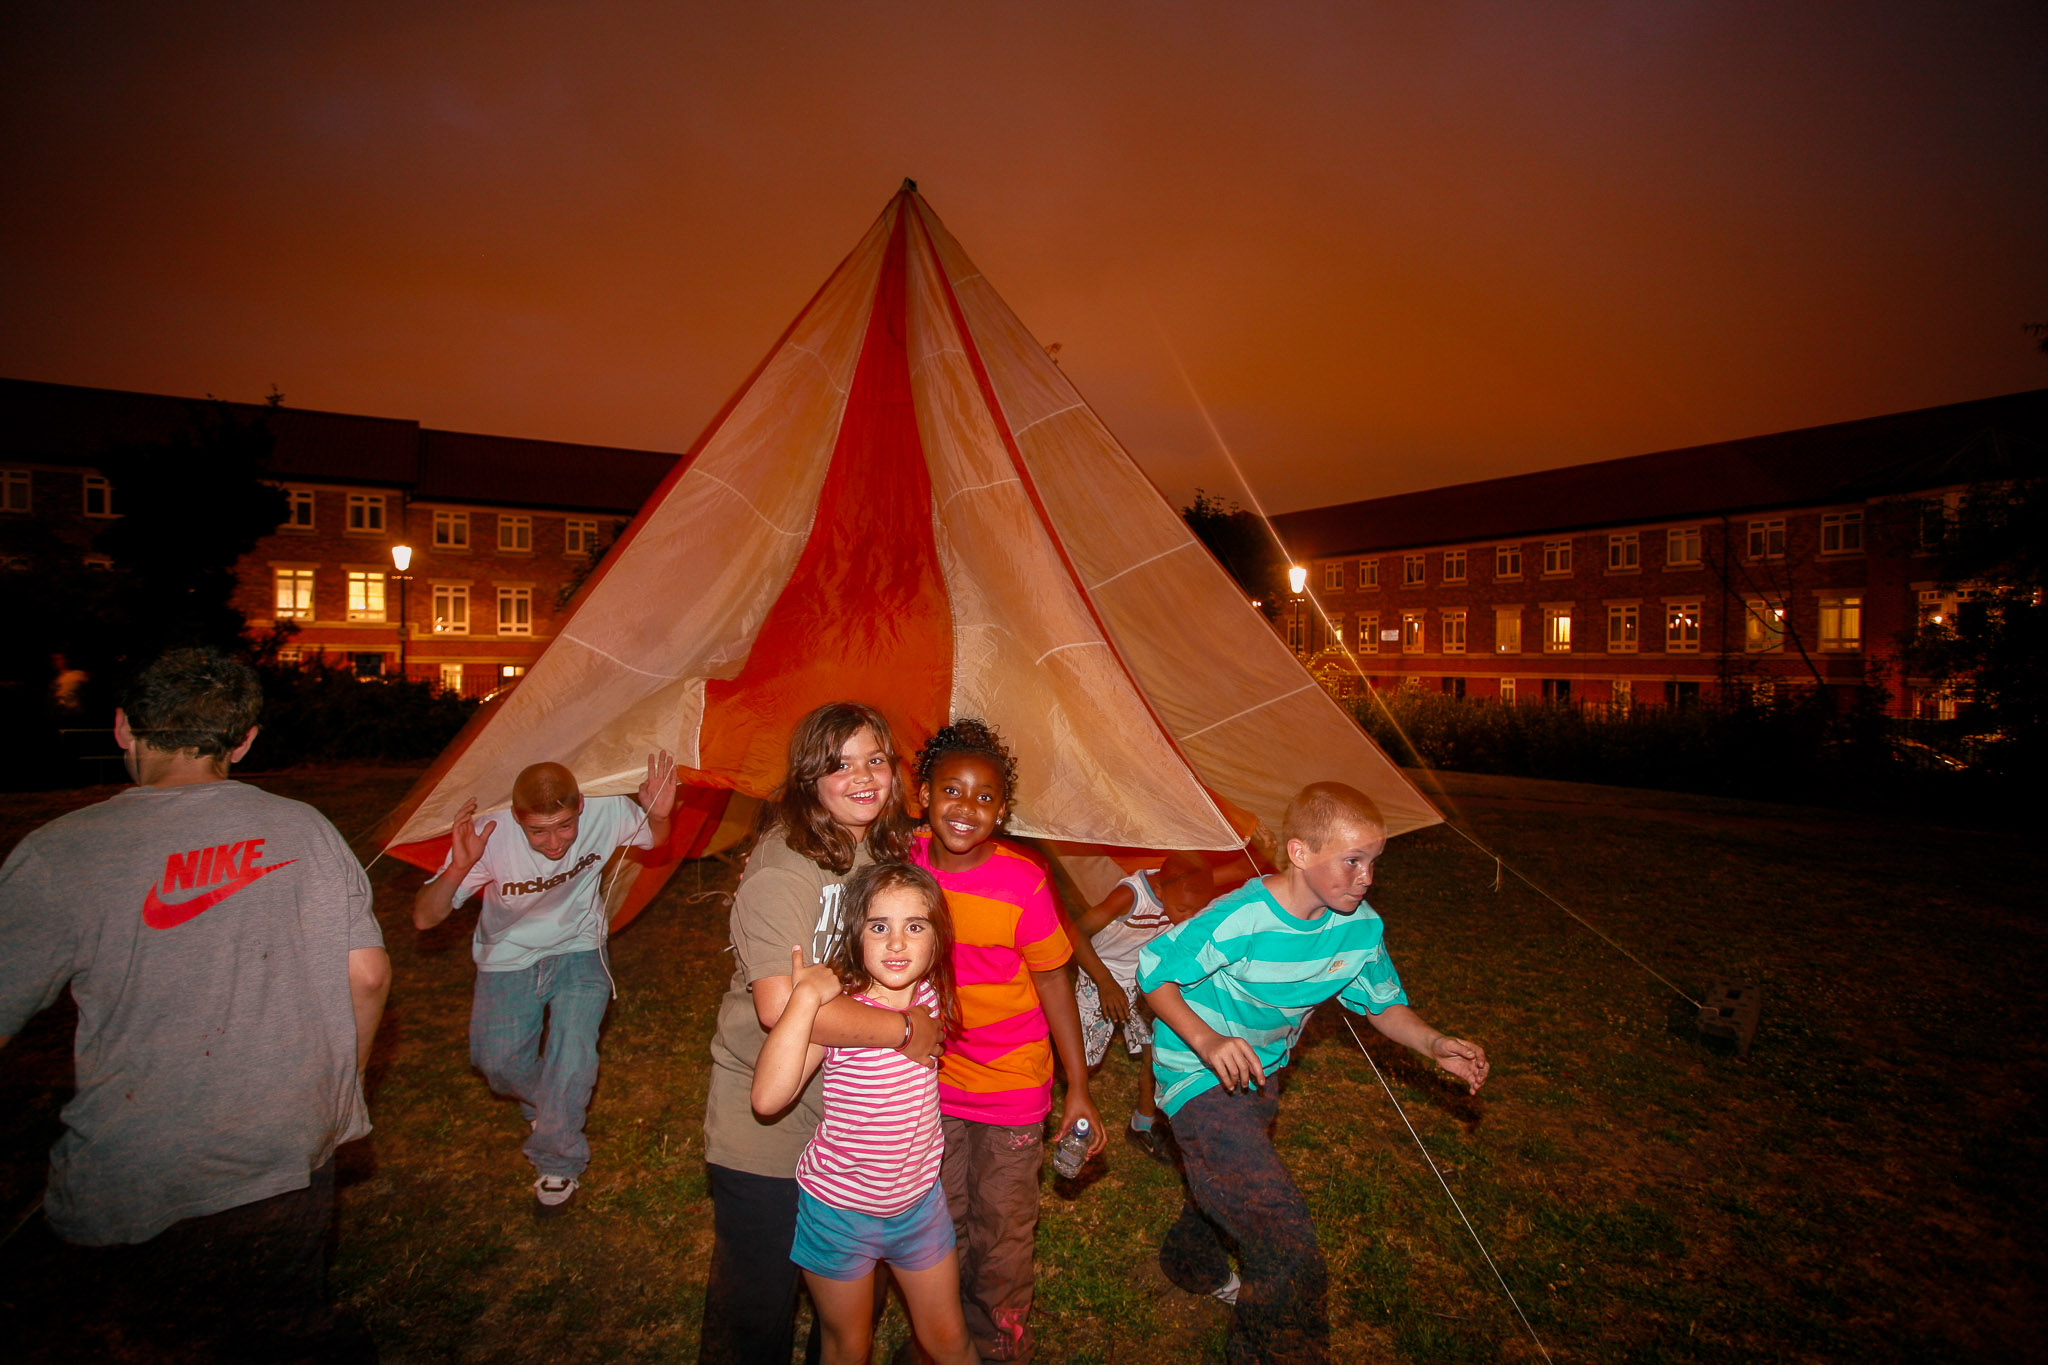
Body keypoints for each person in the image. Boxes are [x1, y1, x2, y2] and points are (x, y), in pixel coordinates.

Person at [0, 646, 390, 1360]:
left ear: (122, 726)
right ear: (244, 739)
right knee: (283, 1328)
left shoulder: (59, 854)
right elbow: (365, 975)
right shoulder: (305, 828)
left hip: (138, 1169)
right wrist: (340, 1095)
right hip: (283, 1143)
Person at [1138, 781, 1490, 1364]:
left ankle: (1189, 1260)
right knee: (1282, 1233)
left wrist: (1434, 1043)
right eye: (1352, 861)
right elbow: (1154, 970)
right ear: (1300, 853)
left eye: (1374, 862)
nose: (1366, 877)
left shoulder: (1358, 929)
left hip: (1261, 1074)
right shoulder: (1242, 917)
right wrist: (1206, 1040)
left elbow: (1382, 1003)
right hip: (1194, 1072)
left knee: (1227, 1177)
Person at [699, 702, 947, 1365]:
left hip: (843, 1115)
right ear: (810, 776)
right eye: (840, 764)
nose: (862, 777)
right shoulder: (784, 865)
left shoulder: (875, 844)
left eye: (875, 760)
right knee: (758, 1308)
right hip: (767, 1122)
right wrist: (901, 1029)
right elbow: (783, 1006)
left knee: (840, 1307)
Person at [908, 718, 1104, 1365]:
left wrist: (1076, 1086)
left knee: (1002, 1221)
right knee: (939, 1213)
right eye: (952, 790)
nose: (966, 808)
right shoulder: (904, 864)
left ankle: (996, 1341)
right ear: (924, 794)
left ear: (1003, 809)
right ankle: (941, 1335)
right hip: (930, 1080)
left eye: (985, 796)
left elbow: (1054, 982)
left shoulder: (1023, 881)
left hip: (1013, 1085)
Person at [413, 750, 677, 1215]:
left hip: (579, 947)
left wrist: (659, 814)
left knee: (573, 1050)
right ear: (518, 818)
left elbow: (655, 841)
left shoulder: (605, 809)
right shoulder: (491, 836)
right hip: (507, 957)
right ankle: (552, 1104)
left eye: (564, 827)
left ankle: (558, 1158)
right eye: (538, 830)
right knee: (496, 1062)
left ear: (578, 808)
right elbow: (423, 917)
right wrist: (459, 866)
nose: (555, 843)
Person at [751, 861, 978, 1365]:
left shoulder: (931, 995)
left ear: (938, 940)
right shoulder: (842, 1013)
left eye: (914, 927)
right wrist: (806, 997)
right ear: (856, 934)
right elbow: (767, 1099)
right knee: (848, 1347)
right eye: (880, 927)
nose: (897, 944)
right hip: (838, 1211)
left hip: (919, 1205)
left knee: (950, 1342)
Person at [1067, 850, 1216, 1162]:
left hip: (1146, 979)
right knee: (1082, 1059)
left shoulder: (1188, 888)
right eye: (1183, 909)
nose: (1188, 918)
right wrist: (1106, 984)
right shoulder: (1130, 896)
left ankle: (1143, 1123)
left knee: (1157, 1047)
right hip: (1101, 976)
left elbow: (1237, 871)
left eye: (1196, 911)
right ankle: (1069, 1102)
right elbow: (1075, 932)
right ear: (1160, 891)